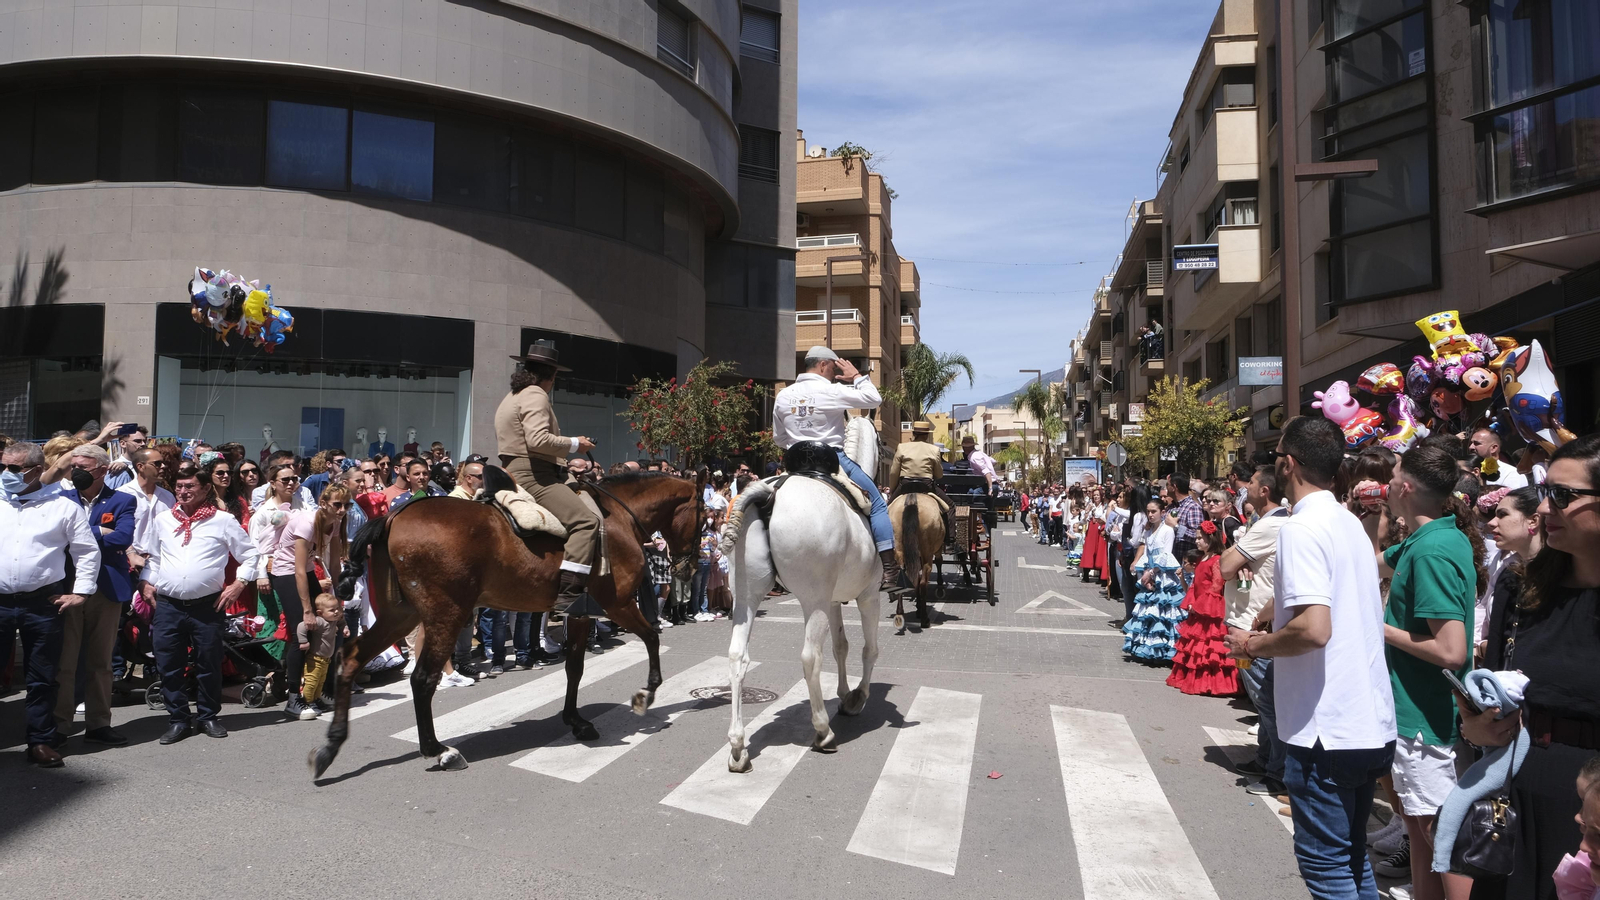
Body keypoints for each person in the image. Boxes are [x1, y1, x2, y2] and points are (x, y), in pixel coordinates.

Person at [1225, 416, 1396, 900]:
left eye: (1278, 453)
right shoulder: (1346, 522)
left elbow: (1314, 630)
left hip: (1327, 731)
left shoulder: (1299, 529)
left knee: (1326, 868)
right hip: (1368, 722)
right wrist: (1276, 605)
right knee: (1351, 856)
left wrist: (1253, 645)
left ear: (1289, 463)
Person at [1469, 433, 1600, 900]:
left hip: (1591, 815)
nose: (1545, 509)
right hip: (1514, 791)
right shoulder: (1520, 585)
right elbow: (1493, 683)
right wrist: (1477, 724)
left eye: (1563, 496)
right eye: (1546, 493)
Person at [1351, 444, 1482, 900]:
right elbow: (1369, 567)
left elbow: (1450, 650)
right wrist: (1370, 520)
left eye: (1392, 477)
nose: (1385, 484)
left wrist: (1378, 627)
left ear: (1405, 488)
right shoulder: (1429, 538)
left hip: (1425, 719)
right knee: (1419, 829)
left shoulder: (1431, 551)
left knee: (1441, 836)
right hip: (1412, 712)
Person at [137, 462, 260, 744]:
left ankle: (207, 716)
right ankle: (178, 719)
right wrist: (146, 582)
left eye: (190, 486)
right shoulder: (163, 520)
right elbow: (154, 558)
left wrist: (238, 584)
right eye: (179, 487)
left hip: (208, 606)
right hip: (168, 605)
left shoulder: (223, 521)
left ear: (206, 488)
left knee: (209, 663)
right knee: (168, 664)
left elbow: (251, 556)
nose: (183, 492)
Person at [2, 441, 99, 767]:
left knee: (42, 677)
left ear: (38, 470)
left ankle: (40, 741)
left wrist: (81, 592)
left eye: (15, 469)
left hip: (42, 604)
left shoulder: (62, 508)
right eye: (3, 466)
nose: (6, 474)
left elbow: (86, 552)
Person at [772, 345, 899, 589]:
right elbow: (874, 398)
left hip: (794, 462)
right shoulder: (832, 391)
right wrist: (857, 377)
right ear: (822, 365)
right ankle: (891, 571)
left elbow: (779, 438)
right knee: (878, 503)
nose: (835, 373)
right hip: (831, 459)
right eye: (833, 367)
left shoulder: (783, 395)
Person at [494, 340, 602, 611]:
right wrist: (577, 444)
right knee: (586, 522)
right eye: (555, 377)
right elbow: (539, 439)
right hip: (535, 474)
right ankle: (569, 597)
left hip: (516, 468)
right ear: (551, 375)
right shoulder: (535, 394)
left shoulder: (512, 396)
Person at [53, 444, 137, 747]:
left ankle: (99, 724)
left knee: (101, 662)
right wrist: (101, 532)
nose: (76, 472)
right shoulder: (60, 499)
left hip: (107, 589)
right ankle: (60, 725)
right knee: (65, 661)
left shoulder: (123, 500)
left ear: (103, 470)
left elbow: (124, 538)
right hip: (69, 588)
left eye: (83, 468)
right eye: (73, 466)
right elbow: (57, 539)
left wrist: (80, 534)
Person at [1220, 464, 1291, 798]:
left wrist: (1236, 555)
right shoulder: (1263, 524)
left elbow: (1225, 566)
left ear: (1264, 490)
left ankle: (1277, 772)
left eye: (1250, 483)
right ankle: (1266, 760)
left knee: (1268, 702)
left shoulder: (1272, 525)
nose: (1244, 487)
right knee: (1264, 702)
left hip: (1254, 626)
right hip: (1250, 622)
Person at [1167, 519, 1237, 696]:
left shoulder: (1216, 560)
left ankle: (1213, 683)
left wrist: (1200, 604)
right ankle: (1192, 678)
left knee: (1210, 648)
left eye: (1200, 538)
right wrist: (1191, 601)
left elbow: (1216, 585)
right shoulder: (1201, 558)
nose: (1197, 541)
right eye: (1197, 538)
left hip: (1211, 609)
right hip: (1198, 605)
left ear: (1210, 538)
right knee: (1195, 646)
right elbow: (1195, 584)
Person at [1123, 497, 1182, 662]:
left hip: (1163, 575)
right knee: (1148, 611)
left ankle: (1164, 649)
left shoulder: (1167, 531)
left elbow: (1166, 554)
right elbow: (1147, 552)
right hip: (1149, 572)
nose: (1150, 515)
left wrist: (1153, 572)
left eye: (1154, 511)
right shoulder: (1148, 532)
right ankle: (1147, 647)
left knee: (1164, 612)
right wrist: (1143, 572)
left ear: (1162, 512)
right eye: (1148, 511)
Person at [296, 593, 347, 712]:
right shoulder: (319, 621)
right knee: (312, 682)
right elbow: (301, 626)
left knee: (320, 682)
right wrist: (303, 641)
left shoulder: (333, 620)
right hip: (315, 659)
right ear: (319, 613)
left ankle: (316, 699)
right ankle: (307, 702)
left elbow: (341, 621)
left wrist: (345, 627)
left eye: (337, 609)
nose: (336, 612)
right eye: (331, 610)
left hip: (325, 660)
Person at [1469, 426, 1529, 491]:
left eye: (1477, 443)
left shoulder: (1511, 474)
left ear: (1493, 448)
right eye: (1471, 443)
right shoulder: (1467, 469)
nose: (1470, 447)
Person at [1167, 473, 1204, 560]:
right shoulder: (1171, 507)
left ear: (1174, 487)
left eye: (1168, 485)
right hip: (1169, 561)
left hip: (1184, 563)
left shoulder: (1193, 507)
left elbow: (1197, 536)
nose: (1166, 488)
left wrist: (1177, 527)